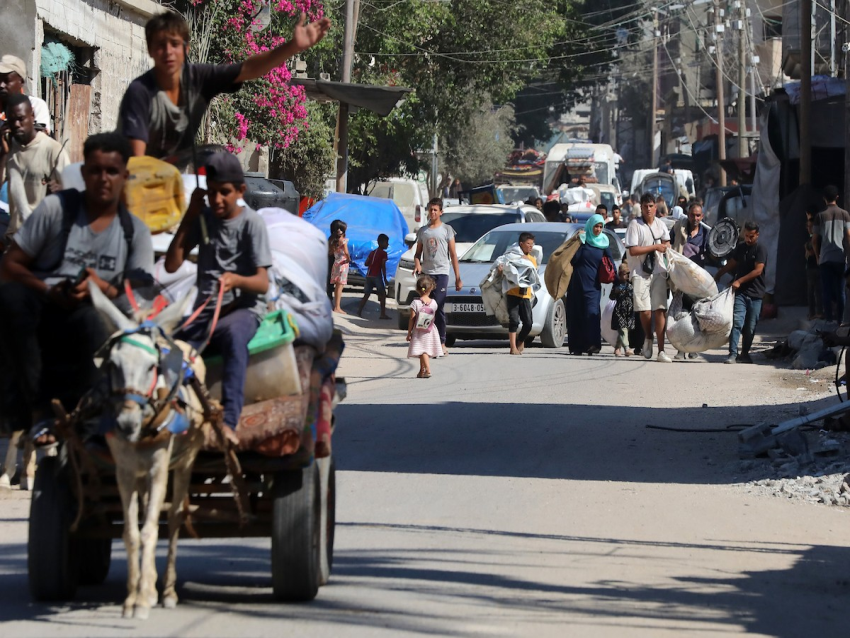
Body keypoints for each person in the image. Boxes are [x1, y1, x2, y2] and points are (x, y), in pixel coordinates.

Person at [0, 132, 154, 440]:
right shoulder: (56, 209)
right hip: (47, 305)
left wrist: (101, 289)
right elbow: (10, 265)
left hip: (93, 316)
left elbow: (142, 303)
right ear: (84, 174)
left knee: (95, 321)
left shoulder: (134, 232)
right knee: (11, 299)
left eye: (112, 171)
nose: (103, 179)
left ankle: (90, 418)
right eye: (95, 170)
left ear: (125, 176)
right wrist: (47, 289)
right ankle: (36, 414)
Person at [119, 11, 330, 159]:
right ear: (149, 50)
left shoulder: (199, 78)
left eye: (174, 44)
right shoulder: (140, 92)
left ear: (186, 48)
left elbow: (247, 69)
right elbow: (136, 160)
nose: (167, 52)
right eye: (160, 45)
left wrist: (291, 47)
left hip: (174, 179)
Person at [166, 152, 271, 443]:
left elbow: (262, 283)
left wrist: (236, 279)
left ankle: (229, 421)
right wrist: (189, 216)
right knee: (167, 349)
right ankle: (174, 417)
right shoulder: (203, 220)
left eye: (224, 192)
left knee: (233, 339)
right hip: (206, 309)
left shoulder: (252, 224)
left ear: (240, 191)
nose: (217, 199)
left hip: (243, 308)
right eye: (212, 193)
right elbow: (172, 264)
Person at [1, 94, 69, 241]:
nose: (17, 125)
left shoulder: (53, 150)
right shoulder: (11, 150)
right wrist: (4, 154)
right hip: (15, 239)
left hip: (44, 239)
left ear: (32, 115)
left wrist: (59, 191)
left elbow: (74, 195)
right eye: (12, 121)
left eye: (21, 119)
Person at [625, 193, 672, 363]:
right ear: (641, 207)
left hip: (658, 271)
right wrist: (654, 247)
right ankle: (648, 336)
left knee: (660, 309)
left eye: (651, 205)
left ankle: (661, 350)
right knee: (644, 311)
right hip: (639, 272)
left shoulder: (660, 225)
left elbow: (667, 243)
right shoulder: (634, 225)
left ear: (655, 207)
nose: (648, 209)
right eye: (645, 206)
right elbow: (633, 250)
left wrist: (664, 247)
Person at [413, 198, 462, 355]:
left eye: (436, 210)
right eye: (431, 209)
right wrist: (418, 265)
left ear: (441, 212)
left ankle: (441, 342)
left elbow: (453, 255)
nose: (433, 212)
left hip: (441, 273)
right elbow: (417, 253)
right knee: (425, 307)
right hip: (427, 274)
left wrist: (458, 277)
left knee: (438, 307)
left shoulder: (447, 230)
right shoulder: (423, 231)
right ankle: (424, 342)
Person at [714, 221, 767, 364]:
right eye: (747, 236)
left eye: (752, 236)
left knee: (750, 327)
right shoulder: (741, 248)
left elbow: (758, 271)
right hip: (741, 293)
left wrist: (739, 281)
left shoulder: (760, 249)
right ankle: (732, 354)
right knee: (737, 322)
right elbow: (733, 262)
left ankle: (745, 353)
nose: (749, 239)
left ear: (757, 235)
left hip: (756, 294)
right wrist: (719, 273)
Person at [566, 214, 614, 355]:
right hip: (577, 284)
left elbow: (610, 264)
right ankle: (577, 347)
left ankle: (593, 344)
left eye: (600, 227)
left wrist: (618, 281)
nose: (598, 229)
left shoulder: (604, 243)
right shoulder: (582, 240)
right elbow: (573, 260)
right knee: (577, 314)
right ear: (590, 226)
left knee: (591, 314)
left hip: (593, 286)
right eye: (596, 226)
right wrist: (579, 243)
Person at [670, 202, 709, 360]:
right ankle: (681, 350)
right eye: (692, 215)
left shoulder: (706, 234)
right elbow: (669, 245)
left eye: (698, 215)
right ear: (688, 214)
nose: (695, 218)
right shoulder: (679, 229)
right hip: (680, 280)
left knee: (696, 315)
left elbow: (711, 253)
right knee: (681, 314)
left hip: (698, 282)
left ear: (702, 216)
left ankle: (693, 349)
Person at [812, 185, 850, 323]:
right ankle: (840, 321)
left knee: (826, 291)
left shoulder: (820, 216)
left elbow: (815, 240)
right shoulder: (844, 214)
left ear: (824, 199)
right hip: (840, 258)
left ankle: (828, 321)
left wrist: (817, 256)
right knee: (841, 292)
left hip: (826, 258)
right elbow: (848, 236)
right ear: (837, 197)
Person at [501, 232, 537, 356]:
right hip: (513, 293)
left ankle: (520, 341)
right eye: (528, 244)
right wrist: (501, 269)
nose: (531, 246)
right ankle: (512, 347)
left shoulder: (532, 260)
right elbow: (505, 270)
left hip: (525, 295)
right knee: (514, 321)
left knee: (528, 323)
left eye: (532, 244)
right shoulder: (512, 256)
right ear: (521, 244)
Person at [0, 55, 51, 134]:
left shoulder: (36, 105)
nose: (1, 85)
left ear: (21, 81)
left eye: (6, 81)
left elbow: (41, 138)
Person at [406, 274, 441, 378]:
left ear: (417, 289)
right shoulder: (434, 303)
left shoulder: (415, 303)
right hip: (430, 330)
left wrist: (409, 332)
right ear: (431, 288)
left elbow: (412, 319)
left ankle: (428, 370)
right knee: (423, 350)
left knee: (423, 351)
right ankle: (422, 371)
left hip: (419, 331)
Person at [357, 233, 391, 319]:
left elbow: (366, 263)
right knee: (382, 294)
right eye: (387, 242)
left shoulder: (372, 252)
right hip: (377, 276)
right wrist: (385, 278)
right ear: (382, 242)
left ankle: (359, 311)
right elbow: (383, 266)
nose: (387, 244)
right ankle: (382, 314)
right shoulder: (383, 254)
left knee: (366, 294)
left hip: (369, 275)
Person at [609, 263, 634, 356]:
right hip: (619, 310)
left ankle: (617, 348)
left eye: (627, 274)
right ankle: (627, 348)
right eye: (623, 274)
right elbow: (611, 297)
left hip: (629, 311)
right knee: (623, 329)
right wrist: (616, 291)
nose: (626, 276)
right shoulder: (617, 285)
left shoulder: (630, 284)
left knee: (625, 330)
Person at [804, 208, 823, 320]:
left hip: (816, 267)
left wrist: (808, 248)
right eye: (807, 227)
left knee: (817, 291)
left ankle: (819, 312)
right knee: (811, 292)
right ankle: (812, 312)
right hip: (810, 268)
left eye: (811, 227)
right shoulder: (810, 238)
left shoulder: (817, 238)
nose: (809, 229)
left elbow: (810, 251)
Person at [328, 219, 350, 314]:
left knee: (336, 285)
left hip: (336, 264)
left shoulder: (332, 241)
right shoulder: (344, 241)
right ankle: (337, 307)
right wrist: (348, 259)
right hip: (343, 264)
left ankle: (336, 306)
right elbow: (346, 252)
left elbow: (330, 252)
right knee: (340, 286)